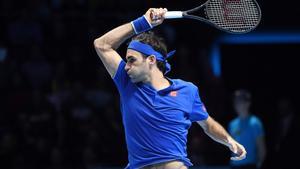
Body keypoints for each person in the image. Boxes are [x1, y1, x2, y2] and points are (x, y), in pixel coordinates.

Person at [93, 8, 246, 169]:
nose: (126, 66)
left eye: (131, 60)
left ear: (151, 60)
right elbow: (102, 45)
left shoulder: (187, 90)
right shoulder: (126, 83)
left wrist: (229, 140)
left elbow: (208, 124)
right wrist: (143, 23)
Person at [228, 89, 266, 169]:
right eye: (236, 101)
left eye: (240, 101)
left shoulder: (255, 123)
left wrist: (259, 165)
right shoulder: (232, 124)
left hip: (250, 166)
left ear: (248, 103)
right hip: (234, 166)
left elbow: (262, 149)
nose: (237, 104)